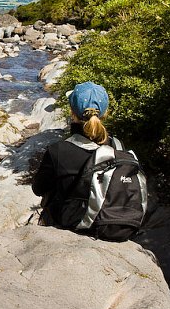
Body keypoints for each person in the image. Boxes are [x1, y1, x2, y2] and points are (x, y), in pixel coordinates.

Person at [32, 81, 119, 229]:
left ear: (72, 113)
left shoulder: (58, 151)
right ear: (104, 113)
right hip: (108, 223)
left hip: (69, 224)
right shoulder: (116, 146)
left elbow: (38, 188)